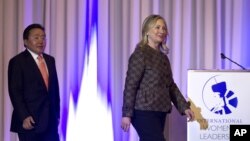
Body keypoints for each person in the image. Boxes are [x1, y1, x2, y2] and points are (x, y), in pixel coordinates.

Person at [121, 14, 195, 141]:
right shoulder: (140, 54)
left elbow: (171, 86)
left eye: (164, 28)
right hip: (142, 111)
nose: (161, 31)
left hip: (160, 110)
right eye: (157, 27)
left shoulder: (163, 58)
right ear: (147, 31)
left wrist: (184, 107)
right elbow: (130, 85)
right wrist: (126, 114)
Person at [8, 23, 60, 141]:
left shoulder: (50, 60)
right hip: (30, 122)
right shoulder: (18, 61)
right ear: (25, 41)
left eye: (43, 37)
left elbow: (55, 90)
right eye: (36, 37)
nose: (41, 41)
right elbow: (15, 92)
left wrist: (57, 114)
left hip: (50, 122)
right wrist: (24, 116)